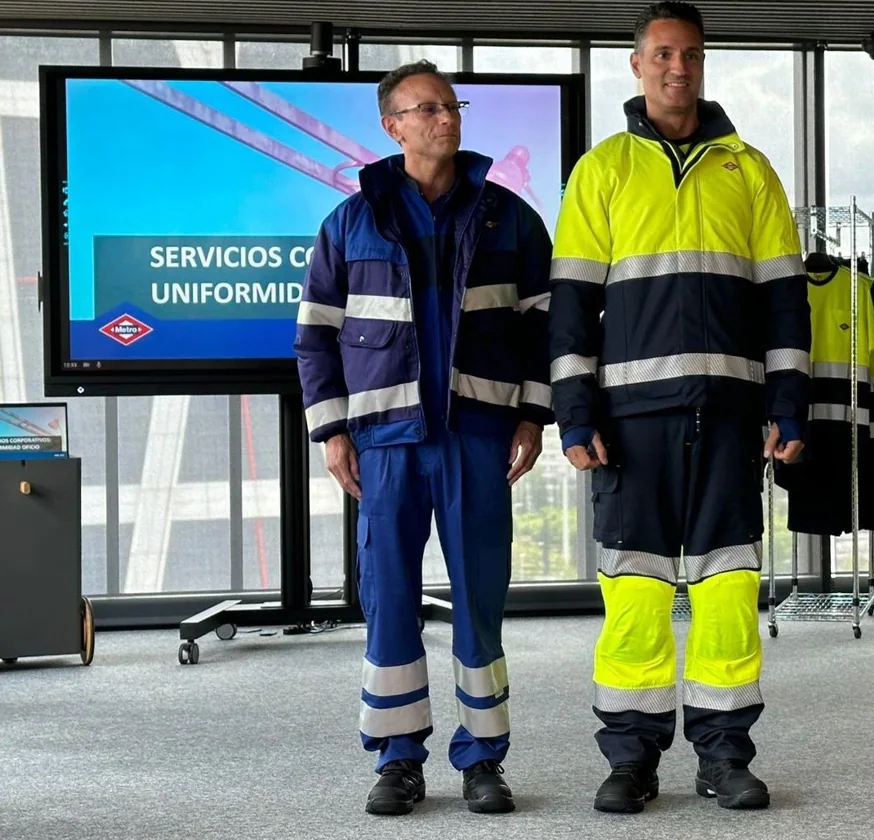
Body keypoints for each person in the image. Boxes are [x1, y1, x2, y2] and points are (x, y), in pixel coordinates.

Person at [548, 1, 811, 814]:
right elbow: (569, 305)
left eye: (690, 55)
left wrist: (790, 403)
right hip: (630, 423)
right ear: (636, 65)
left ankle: (724, 754)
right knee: (633, 594)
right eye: (662, 54)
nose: (677, 67)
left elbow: (785, 303)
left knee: (730, 589)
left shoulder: (752, 169)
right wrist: (575, 413)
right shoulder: (603, 170)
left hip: (733, 417)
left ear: (703, 63)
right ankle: (630, 759)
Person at [294, 60, 554, 817]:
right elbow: (315, 339)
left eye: (452, 106)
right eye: (428, 108)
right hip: (385, 444)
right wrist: (332, 431)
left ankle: (483, 761)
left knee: (479, 602)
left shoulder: (511, 217)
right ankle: (398, 760)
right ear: (392, 125)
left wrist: (532, 415)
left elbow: (545, 329)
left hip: (476, 437)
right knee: (389, 600)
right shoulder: (349, 223)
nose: (446, 118)